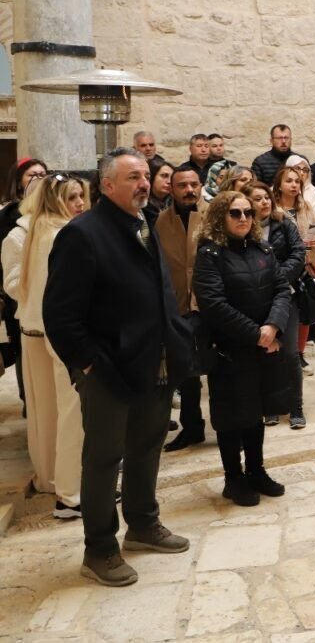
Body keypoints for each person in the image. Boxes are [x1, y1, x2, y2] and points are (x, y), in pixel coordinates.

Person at [44, 148, 193, 587]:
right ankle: (100, 549)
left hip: (154, 359)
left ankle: (143, 525)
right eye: (133, 177)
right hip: (108, 368)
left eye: (146, 175)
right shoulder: (82, 234)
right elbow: (61, 315)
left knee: (147, 446)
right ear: (107, 185)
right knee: (105, 458)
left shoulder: (144, 222)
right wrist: (89, 364)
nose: (144, 183)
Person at [191, 191, 294, 507]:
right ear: (220, 216)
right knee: (230, 416)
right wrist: (257, 334)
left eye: (248, 212)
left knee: (255, 412)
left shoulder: (262, 248)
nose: (244, 218)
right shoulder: (210, 254)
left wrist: (273, 325)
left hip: (261, 346)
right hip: (229, 349)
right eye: (235, 213)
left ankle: (256, 471)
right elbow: (213, 304)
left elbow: (282, 289)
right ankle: (233, 479)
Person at [2, 173, 90, 518]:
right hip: (58, 332)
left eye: (81, 196)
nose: (79, 204)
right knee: (70, 415)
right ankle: (70, 494)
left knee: (59, 414)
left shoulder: (42, 231)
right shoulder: (60, 234)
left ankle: (63, 483)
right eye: (71, 198)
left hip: (45, 329)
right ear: (54, 201)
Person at [246, 181, 306, 429]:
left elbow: (298, 253)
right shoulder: (243, 229)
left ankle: (296, 406)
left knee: (290, 353)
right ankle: (270, 406)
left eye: (266, 197)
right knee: (266, 352)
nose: (264, 202)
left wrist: (277, 277)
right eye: (258, 198)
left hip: (285, 295)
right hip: (256, 298)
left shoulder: (284, 223)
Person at [155, 167, 208, 451]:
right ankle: (192, 427)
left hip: (210, 304)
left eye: (193, 184)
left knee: (220, 369)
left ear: (201, 185)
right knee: (186, 373)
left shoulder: (215, 215)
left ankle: (230, 427)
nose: (189, 190)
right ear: (172, 189)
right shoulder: (160, 222)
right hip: (178, 306)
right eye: (182, 185)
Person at [272, 163, 315, 382]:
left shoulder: (305, 206)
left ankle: (300, 354)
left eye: (297, 181)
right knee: (284, 314)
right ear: (279, 185)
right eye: (289, 181)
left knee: (305, 314)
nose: (294, 185)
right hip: (283, 268)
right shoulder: (274, 210)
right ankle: (285, 355)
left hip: (305, 267)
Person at [0, 157, 47, 398]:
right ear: (19, 182)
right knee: (22, 346)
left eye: (42, 175)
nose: (38, 179)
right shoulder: (8, 215)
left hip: (46, 295)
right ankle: (28, 397)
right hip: (19, 293)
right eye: (32, 175)